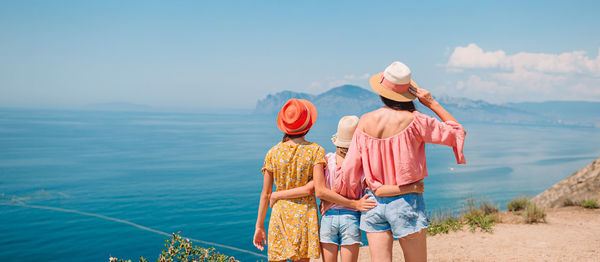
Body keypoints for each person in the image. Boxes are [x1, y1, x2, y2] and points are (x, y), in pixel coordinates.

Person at [335, 62, 466, 262]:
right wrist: (432, 103)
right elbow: (457, 132)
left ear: (382, 92)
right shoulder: (417, 120)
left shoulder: (364, 121)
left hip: (372, 201)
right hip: (407, 201)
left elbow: (349, 171)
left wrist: (354, 199)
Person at [271, 115, 425, 262]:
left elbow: (318, 189)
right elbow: (376, 190)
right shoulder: (363, 165)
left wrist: (330, 201)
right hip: (350, 219)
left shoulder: (326, 160)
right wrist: (411, 187)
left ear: (337, 141)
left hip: (328, 219)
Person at [253, 98, 324, 262]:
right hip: (304, 215)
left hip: (280, 215)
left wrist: (259, 225)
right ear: (308, 126)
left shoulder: (273, 153)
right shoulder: (316, 151)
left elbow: (266, 194)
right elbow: (313, 188)